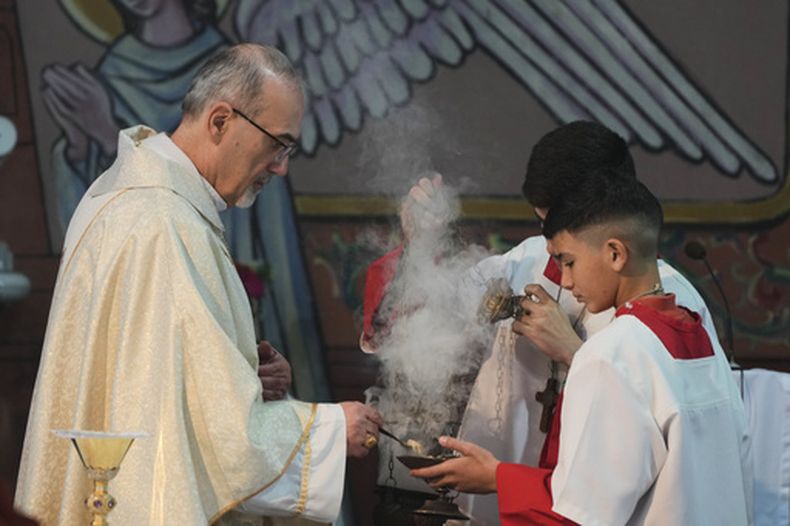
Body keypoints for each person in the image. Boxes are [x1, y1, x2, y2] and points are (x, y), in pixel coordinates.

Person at [16, 43, 382, 525]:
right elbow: (214, 436)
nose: (281, 167)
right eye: (279, 143)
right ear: (220, 121)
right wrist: (331, 430)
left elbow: (153, 387)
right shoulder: (165, 223)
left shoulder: (128, 196)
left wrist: (243, 375)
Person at [362, 121, 726, 524]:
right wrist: (421, 245)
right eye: (542, 223)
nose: (555, 256)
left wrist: (575, 352)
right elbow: (417, 322)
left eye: (561, 233)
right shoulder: (526, 262)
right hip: (514, 502)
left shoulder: (676, 306)